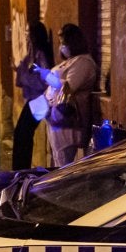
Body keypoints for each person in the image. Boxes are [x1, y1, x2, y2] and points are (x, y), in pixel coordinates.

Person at [36, 23, 98, 168]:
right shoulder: (69, 62)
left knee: (63, 164)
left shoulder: (83, 62)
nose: (61, 47)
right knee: (57, 160)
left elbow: (69, 86)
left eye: (63, 43)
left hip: (68, 120)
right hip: (54, 118)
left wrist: (49, 77)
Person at [12, 22, 53, 170]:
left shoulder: (40, 54)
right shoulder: (31, 54)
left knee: (23, 133)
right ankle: (20, 169)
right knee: (22, 133)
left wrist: (24, 76)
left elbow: (43, 80)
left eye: (29, 33)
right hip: (33, 99)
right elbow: (23, 77)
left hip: (41, 100)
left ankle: (21, 170)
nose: (27, 36)